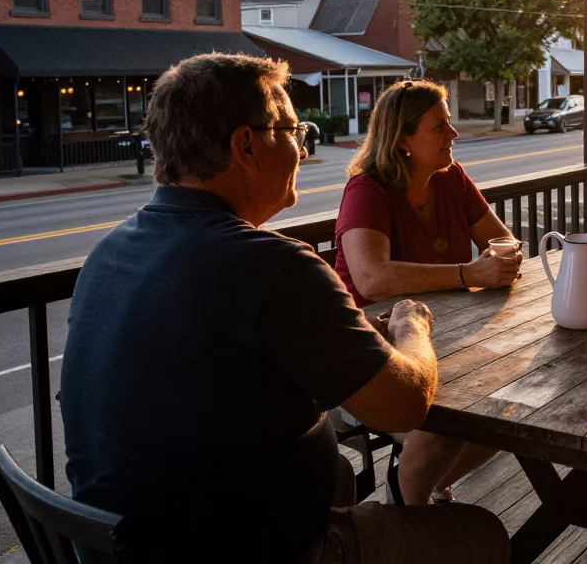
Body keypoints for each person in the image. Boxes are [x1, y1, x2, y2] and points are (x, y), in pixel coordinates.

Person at [60, 54, 509, 564]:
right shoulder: (271, 265)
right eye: (293, 129)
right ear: (245, 145)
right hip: (251, 550)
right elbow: (406, 406)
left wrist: (353, 328)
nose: (301, 146)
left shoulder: (110, 251)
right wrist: (411, 326)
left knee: (339, 475)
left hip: (123, 546)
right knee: (482, 534)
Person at [334, 79, 520, 506]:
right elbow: (372, 280)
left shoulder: (450, 177)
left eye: (449, 124)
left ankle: (416, 488)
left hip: (444, 339)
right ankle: (404, 507)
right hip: (371, 353)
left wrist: (502, 261)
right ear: (402, 139)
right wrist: (468, 273)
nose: (453, 135)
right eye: (440, 127)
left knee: (508, 405)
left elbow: (502, 239)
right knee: (451, 424)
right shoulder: (368, 191)